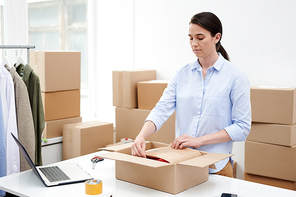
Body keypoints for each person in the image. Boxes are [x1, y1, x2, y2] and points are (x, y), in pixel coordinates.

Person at [131, 12, 251, 177]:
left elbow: (242, 128)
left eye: (200, 38)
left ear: (216, 37)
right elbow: (161, 109)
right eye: (190, 38)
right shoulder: (181, 74)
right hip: (184, 164)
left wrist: (198, 140)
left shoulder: (236, 77)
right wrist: (141, 136)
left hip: (216, 167)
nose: (194, 43)